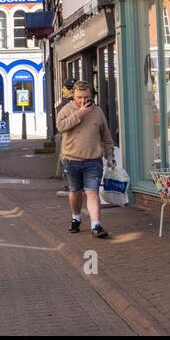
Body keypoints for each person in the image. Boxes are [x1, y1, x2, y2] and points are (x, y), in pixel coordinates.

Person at [55, 80, 116, 238]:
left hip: (93, 160)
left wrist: (110, 156)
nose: (83, 100)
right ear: (73, 95)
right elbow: (61, 126)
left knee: (92, 192)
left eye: (86, 97)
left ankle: (96, 225)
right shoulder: (66, 110)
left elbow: (106, 136)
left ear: (91, 95)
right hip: (71, 159)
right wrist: (80, 113)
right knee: (75, 192)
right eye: (79, 97)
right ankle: (76, 218)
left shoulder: (98, 112)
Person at [53, 80, 76, 184]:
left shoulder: (71, 105)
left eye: (64, 88)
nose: (62, 90)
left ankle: (72, 186)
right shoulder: (66, 103)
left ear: (71, 90)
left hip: (72, 142)